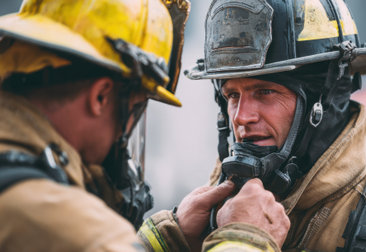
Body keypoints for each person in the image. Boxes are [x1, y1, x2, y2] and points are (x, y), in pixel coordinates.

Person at [0, 0, 290, 251]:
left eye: (265, 92)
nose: (241, 117)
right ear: (101, 97)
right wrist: (245, 241)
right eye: (136, 108)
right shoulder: (71, 229)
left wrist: (168, 240)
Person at [186, 0, 366, 251]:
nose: (241, 117)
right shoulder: (198, 222)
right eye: (232, 95)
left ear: (323, 103)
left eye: (265, 92)